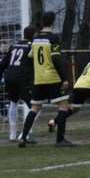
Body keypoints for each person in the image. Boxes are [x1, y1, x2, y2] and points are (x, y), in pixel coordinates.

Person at [18, 11, 73, 147]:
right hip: (53, 78)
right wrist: (64, 79)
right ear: (54, 22)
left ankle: (23, 137)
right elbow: (56, 59)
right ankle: (60, 140)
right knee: (63, 105)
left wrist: (29, 77)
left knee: (35, 107)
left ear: (42, 22)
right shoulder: (54, 38)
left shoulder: (35, 40)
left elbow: (29, 59)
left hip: (39, 80)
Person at [0, 26, 37, 142]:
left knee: (13, 102)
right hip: (22, 79)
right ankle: (25, 134)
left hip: (9, 78)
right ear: (34, 35)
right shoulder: (32, 46)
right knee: (36, 107)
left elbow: (2, 64)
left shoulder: (14, 45)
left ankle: (12, 134)